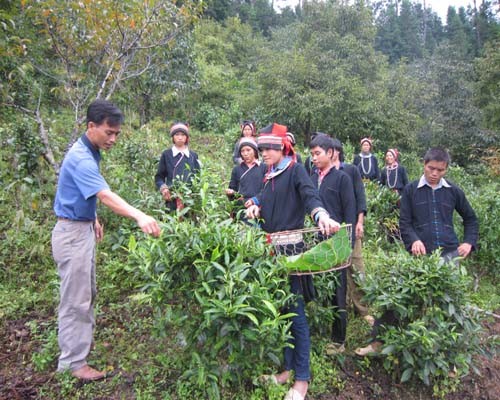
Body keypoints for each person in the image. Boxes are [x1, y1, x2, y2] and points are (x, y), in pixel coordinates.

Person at [52, 99, 161, 380]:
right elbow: (104, 194)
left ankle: (80, 349)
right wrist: (139, 215)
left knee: (85, 293)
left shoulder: (91, 150)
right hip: (72, 234)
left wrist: (93, 218)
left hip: (81, 227)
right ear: (91, 126)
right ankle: (74, 363)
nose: (113, 139)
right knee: (76, 299)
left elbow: (81, 192)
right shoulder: (81, 157)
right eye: (108, 132)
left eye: (117, 134)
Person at [246, 123, 340, 400]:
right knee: (282, 311)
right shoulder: (270, 173)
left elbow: (310, 196)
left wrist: (321, 215)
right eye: (261, 149)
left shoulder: (295, 170)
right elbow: (266, 198)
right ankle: (286, 370)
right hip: (272, 254)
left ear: (281, 148)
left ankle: (302, 379)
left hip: (292, 252)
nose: (263, 153)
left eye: (267, 148)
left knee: (296, 314)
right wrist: (255, 204)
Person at [355, 147, 479, 356]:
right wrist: (414, 241)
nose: (435, 173)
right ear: (424, 164)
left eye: (440, 170)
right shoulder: (411, 190)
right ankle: (378, 343)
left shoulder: (453, 191)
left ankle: (445, 356)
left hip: (449, 254)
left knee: (445, 306)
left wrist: (468, 242)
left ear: (446, 169)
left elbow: (471, 219)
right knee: (398, 299)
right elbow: (405, 223)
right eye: (431, 168)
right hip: (419, 256)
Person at [309, 135, 356, 355]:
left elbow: (350, 214)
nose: (314, 158)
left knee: (338, 289)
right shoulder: (312, 177)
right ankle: (321, 330)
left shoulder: (342, 179)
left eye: (318, 153)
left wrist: (348, 245)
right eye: (312, 154)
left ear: (331, 153)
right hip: (316, 241)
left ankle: (339, 339)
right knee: (320, 287)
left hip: (336, 244)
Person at [330, 138, 374, 326]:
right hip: (330, 230)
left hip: (350, 226)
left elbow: (360, 197)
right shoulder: (319, 173)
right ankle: (340, 307)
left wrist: (360, 222)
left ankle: (362, 309)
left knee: (356, 267)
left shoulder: (350, 170)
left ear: (335, 152)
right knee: (334, 268)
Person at [155, 122, 201, 211]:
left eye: (183, 135)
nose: (180, 137)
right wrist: (164, 188)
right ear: (173, 137)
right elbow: (159, 177)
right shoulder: (166, 154)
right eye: (177, 134)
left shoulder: (193, 156)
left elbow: (197, 177)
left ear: (187, 137)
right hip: (171, 198)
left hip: (189, 200)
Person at [225, 137, 265, 216]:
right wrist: (230, 193)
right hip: (241, 208)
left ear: (255, 151)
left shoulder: (264, 168)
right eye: (242, 151)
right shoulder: (237, 169)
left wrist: (254, 200)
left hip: (258, 207)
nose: (245, 153)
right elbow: (233, 193)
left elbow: (267, 190)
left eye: (248, 150)